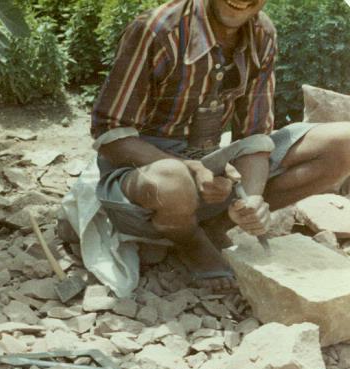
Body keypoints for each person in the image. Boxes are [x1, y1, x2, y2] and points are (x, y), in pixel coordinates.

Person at [90, 0, 350, 291]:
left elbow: (254, 136)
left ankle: (215, 227)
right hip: (142, 173)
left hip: (209, 161)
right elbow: (110, 135)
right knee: (172, 179)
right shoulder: (158, 30)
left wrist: (251, 200)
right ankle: (192, 244)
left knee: (344, 143)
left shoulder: (261, 32)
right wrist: (189, 168)